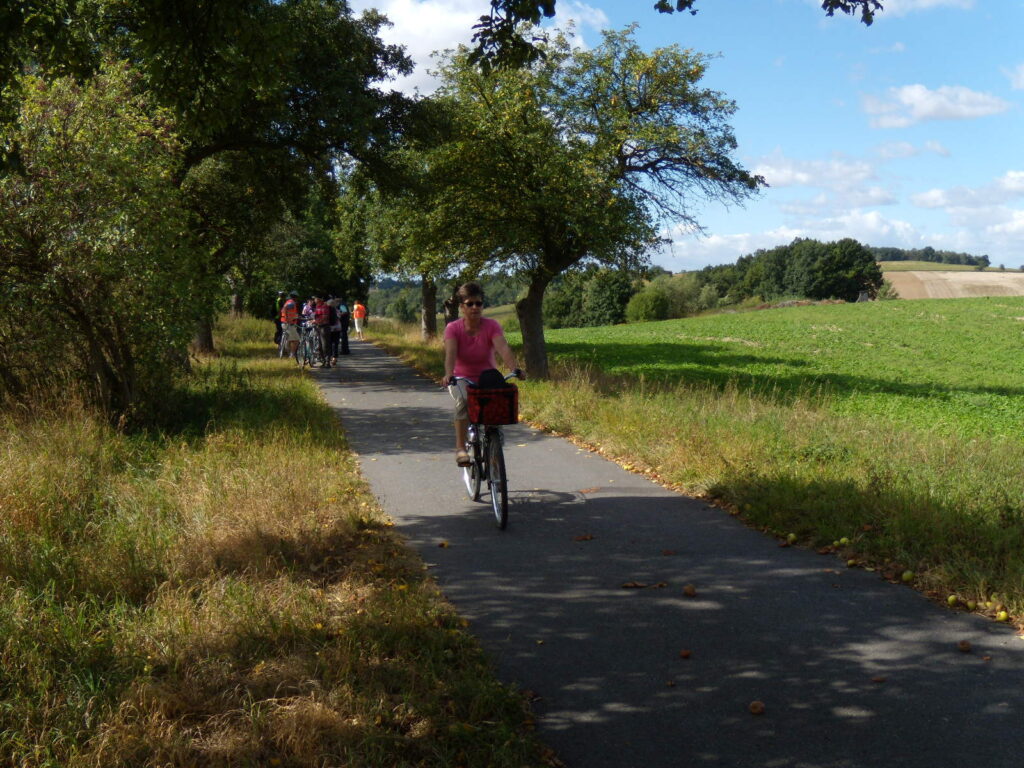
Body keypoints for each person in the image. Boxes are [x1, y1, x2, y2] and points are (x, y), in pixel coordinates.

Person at [443, 282, 523, 467]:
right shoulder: (453, 328)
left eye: (479, 303)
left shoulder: (491, 325)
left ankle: (494, 449)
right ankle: (460, 448)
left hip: (487, 377)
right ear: (462, 307)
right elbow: (451, 354)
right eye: (470, 304)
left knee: (497, 405)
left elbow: (503, 347)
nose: (475, 307)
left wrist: (515, 369)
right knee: (463, 401)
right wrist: (448, 374)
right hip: (461, 378)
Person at [280, 291, 301, 364]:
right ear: (295, 297)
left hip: (284, 323)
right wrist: (289, 320)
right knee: (296, 340)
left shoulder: (288, 302)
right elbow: (286, 311)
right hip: (289, 324)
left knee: (289, 339)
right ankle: (292, 354)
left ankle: (286, 351)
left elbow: (285, 311)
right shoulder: (291, 303)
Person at [312, 295, 332, 368]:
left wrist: (316, 321)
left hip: (324, 327)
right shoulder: (318, 306)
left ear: (319, 299)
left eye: (315, 298)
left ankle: (327, 362)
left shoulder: (324, 306)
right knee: (320, 346)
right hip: (319, 327)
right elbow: (317, 316)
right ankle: (323, 361)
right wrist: (314, 320)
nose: (314, 300)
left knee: (325, 345)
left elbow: (325, 317)